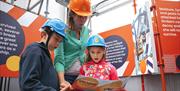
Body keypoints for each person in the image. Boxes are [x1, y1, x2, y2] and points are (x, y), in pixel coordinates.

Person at [54, 0, 92, 90]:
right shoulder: (63, 31)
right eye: (80, 16)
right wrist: (62, 81)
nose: (83, 20)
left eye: (85, 17)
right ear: (72, 14)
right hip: (65, 76)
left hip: (81, 77)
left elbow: (84, 53)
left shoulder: (86, 31)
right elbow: (59, 59)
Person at [19, 19, 67, 91]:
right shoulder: (34, 51)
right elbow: (28, 84)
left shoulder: (44, 53)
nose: (58, 44)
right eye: (56, 39)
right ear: (44, 35)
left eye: (60, 41)